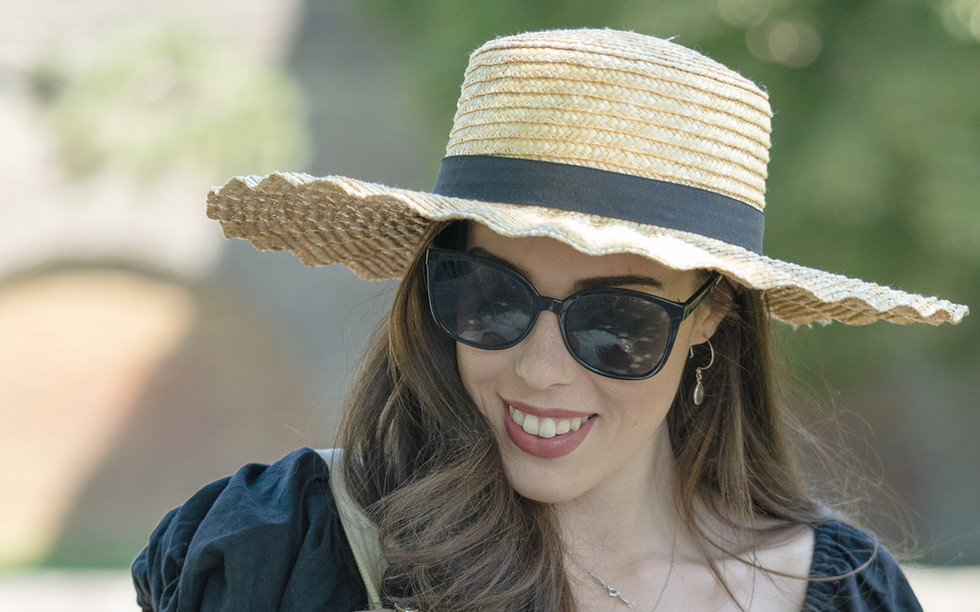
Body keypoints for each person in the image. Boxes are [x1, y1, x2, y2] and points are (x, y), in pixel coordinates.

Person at [132, 28, 967, 611]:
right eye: (490, 297)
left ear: (710, 315)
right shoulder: (288, 547)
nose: (539, 369)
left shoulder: (839, 592)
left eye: (614, 320)